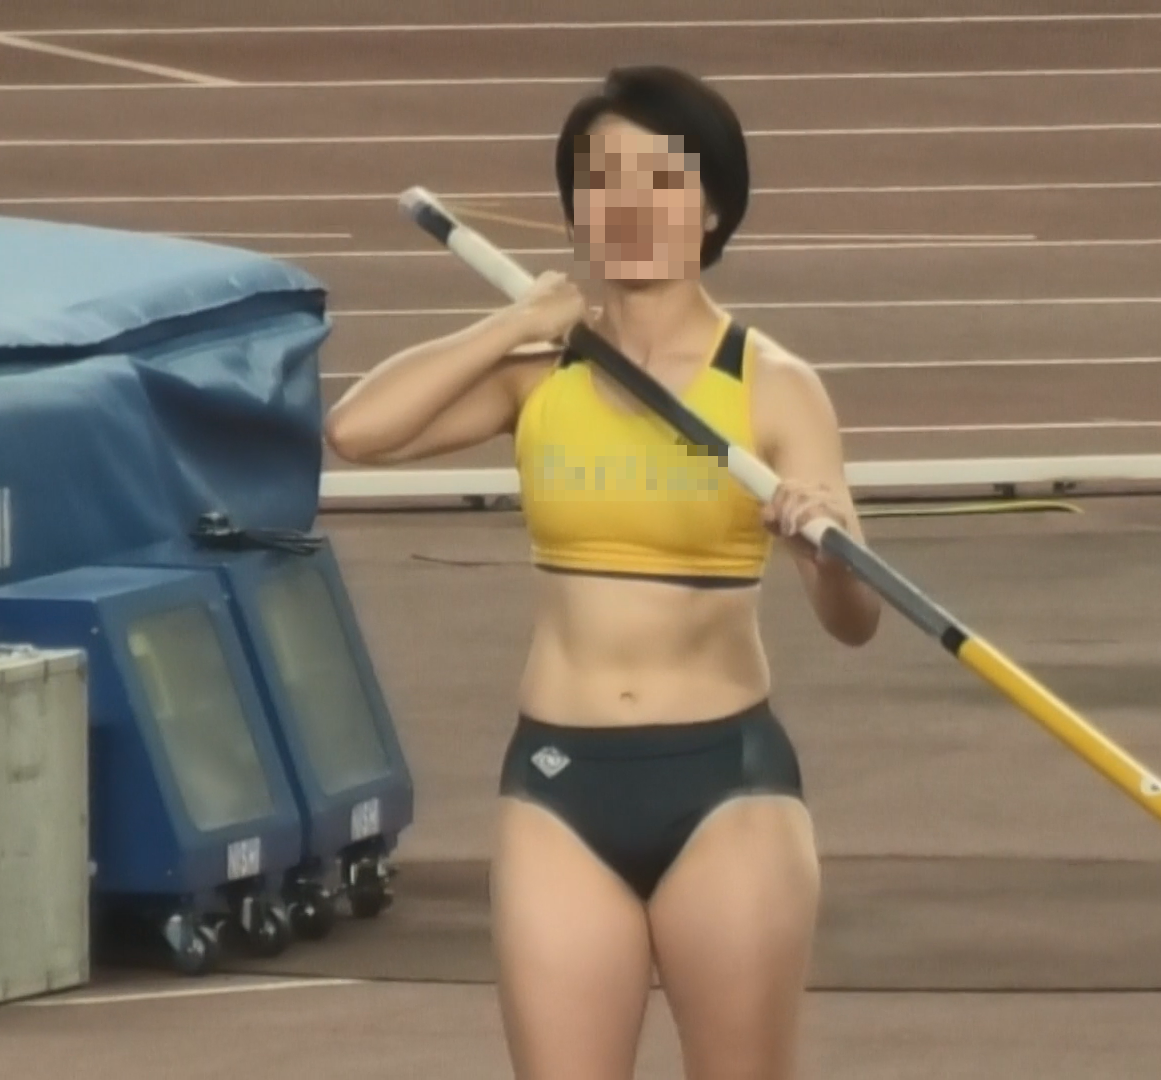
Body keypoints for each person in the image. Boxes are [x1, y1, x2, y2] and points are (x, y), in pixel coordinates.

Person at [324, 64, 881, 1080]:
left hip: (726, 787)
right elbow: (358, 432)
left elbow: (855, 621)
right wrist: (512, 324)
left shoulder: (773, 386)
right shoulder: (541, 373)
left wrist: (826, 547)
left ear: (714, 207)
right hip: (557, 785)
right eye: (602, 182)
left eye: (662, 183)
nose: (630, 207)